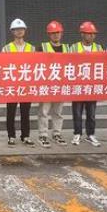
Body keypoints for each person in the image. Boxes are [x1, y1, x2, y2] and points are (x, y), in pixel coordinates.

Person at [2, 18, 35, 147]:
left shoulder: (31, 48)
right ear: (12, 32)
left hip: (26, 85)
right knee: (11, 112)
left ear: (25, 31)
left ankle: (25, 136)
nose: (19, 31)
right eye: (16, 29)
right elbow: (2, 66)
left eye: (21, 29)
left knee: (25, 112)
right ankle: (11, 136)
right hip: (12, 85)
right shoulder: (6, 48)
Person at [70, 21, 104, 147]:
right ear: (82, 34)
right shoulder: (74, 48)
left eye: (93, 34)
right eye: (88, 33)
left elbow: (104, 65)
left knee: (91, 113)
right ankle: (77, 133)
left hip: (92, 86)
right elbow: (68, 64)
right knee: (77, 112)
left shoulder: (99, 48)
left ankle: (90, 134)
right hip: (78, 85)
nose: (91, 36)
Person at [37, 20, 69, 148]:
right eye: (53, 33)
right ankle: (43, 135)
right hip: (46, 85)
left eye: (58, 32)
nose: (56, 35)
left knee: (58, 112)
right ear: (49, 34)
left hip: (60, 85)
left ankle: (57, 133)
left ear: (61, 33)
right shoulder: (42, 47)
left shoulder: (67, 48)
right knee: (44, 111)